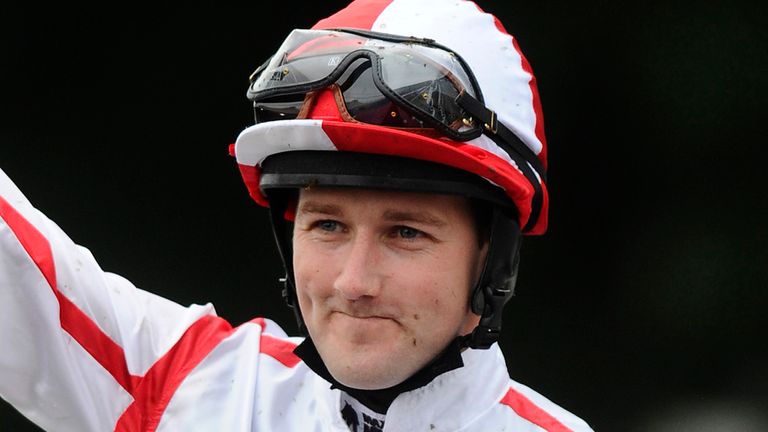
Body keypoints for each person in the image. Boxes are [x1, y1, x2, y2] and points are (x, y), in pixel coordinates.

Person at [0, 0, 593, 430]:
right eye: (327, 225)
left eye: (405, 232)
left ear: (493, 259)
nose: (353, 283)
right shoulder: (185, 384)